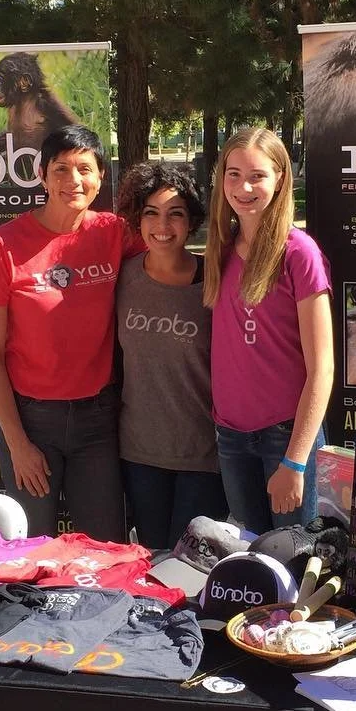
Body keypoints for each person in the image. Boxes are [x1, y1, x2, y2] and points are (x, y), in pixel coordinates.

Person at [0, 125, 143, 542]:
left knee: (103, 547)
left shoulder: (116, 233)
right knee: (31, 546)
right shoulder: (1, 247)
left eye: (84, 168)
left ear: (101, 176)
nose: (73, 180)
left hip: (98, 420)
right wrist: (18, 444)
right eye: (61, 169)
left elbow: (166, 261)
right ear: (42, 176)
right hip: (31, 422)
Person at [203, 127, 334, 534]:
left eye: (257, 175)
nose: (244, 187)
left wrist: (295, 461)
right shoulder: (220, 249)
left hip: (286, 437)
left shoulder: (299, 252)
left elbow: (322, 369)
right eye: (234, 174)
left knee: (292, 559)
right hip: (231, 438)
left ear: (279, 179)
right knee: (249, 557)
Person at [115, 162, 228, 549]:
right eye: (151, 212)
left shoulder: (215, 279)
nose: (162, 225)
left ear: (191, 220)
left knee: (190, 568)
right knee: (151, 560)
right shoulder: (122, 278)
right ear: (138, 219)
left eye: (175, 213)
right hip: (140, 453)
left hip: (204, 456)